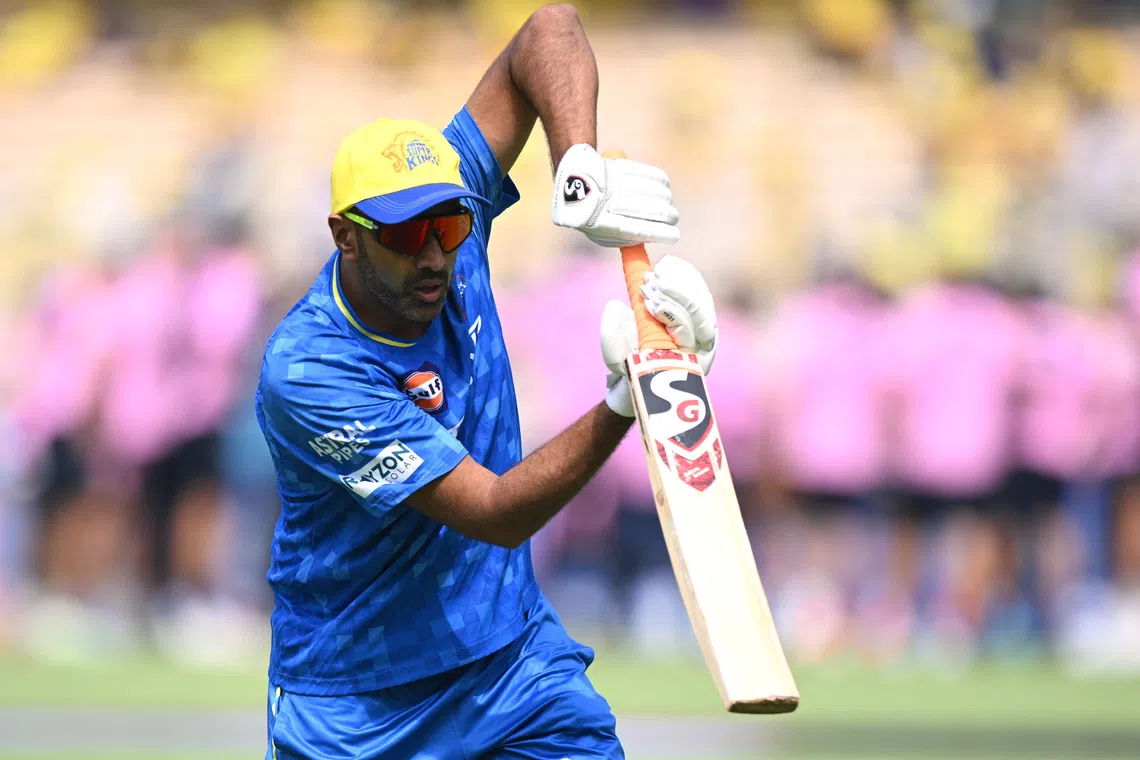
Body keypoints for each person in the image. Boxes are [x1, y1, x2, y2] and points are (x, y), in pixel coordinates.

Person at [254, 6, 717, 758]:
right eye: (405, 235)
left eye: (452, 226)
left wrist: (580, 169)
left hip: (510, 665)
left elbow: (548, 31)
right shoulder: (310, 370)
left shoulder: (445, 228)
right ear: (344, 235)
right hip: (358, 703)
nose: (436, 255)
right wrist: (624, 399)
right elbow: (496, 512)